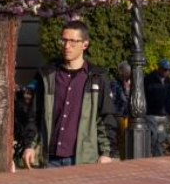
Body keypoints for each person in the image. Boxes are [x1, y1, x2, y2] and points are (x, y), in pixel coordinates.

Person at [21, 21, 117, 168]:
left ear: (85, 44)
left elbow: (106, 117)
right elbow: (35, 114)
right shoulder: (48, 75)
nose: (66, 46)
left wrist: (106, 153)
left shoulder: (96, 77)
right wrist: (29, 145)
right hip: (50, 158)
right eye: (64, 40)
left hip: (83, 160)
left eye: (73, 41)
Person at [143, 58, 170, 156]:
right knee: (153, 137)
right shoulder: (148, 79)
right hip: (151, 114)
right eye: (165, 69)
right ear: (159, 68)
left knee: (161, 137)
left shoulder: (168, 81)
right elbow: (145, 96)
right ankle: (154, 155)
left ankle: (158, 157)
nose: (167, 72)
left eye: (169, 70)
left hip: (163, 115)